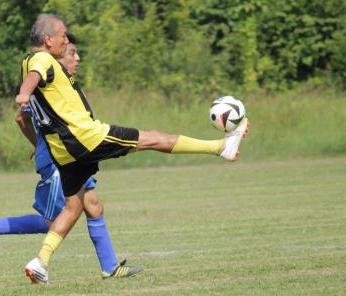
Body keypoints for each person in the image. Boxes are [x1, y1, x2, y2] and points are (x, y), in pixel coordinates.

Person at [17, 14, 249, 284]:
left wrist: (27, 101)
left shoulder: (27, 62)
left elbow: (32, 88)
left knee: (73, 206)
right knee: (151, 138)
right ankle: (220, 147)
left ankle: (41, 262)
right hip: (86, 137)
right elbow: (33, 79)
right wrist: (23, 93)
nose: (67, 40)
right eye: (63, 35)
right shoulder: (41, 60)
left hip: (64, 150)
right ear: (48, 40)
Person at [0, 33, 142, 281]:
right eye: (72, 53)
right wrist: (40, 144)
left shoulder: (62, 85)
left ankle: (110, 267)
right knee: (52, 221)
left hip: (71, 154)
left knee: (93, 207)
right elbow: (21, 117)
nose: (77, 58)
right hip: (57, 157)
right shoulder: (45, 84)